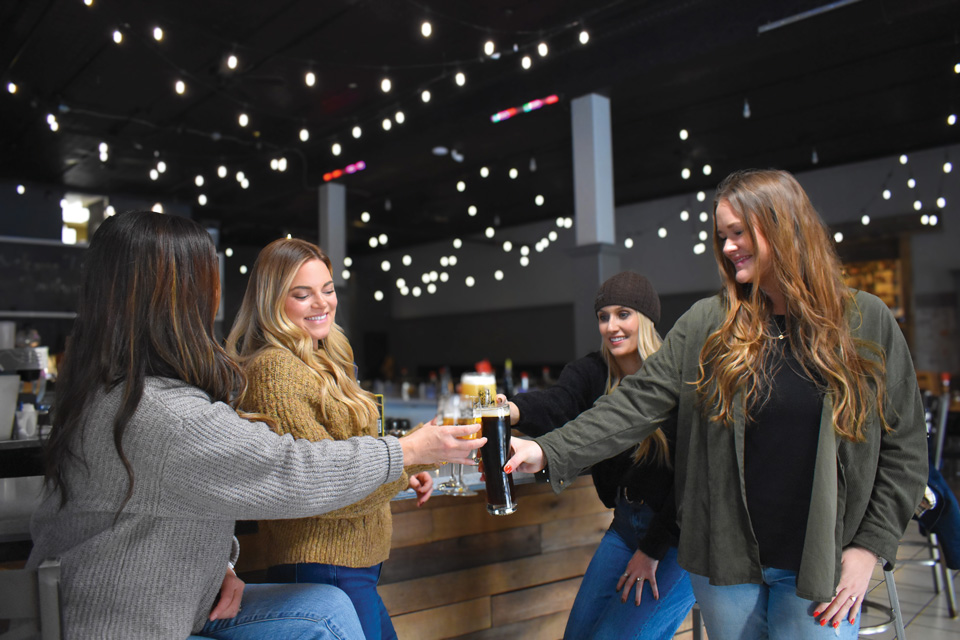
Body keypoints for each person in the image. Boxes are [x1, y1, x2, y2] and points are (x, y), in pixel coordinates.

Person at [504, 169, 928, 639]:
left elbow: (905, 448)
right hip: (726, 566)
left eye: (739, 233)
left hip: (820, 564)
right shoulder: (710, 323)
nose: (727, 248)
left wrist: (870, 546)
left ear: (783, 225)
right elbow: (636, 403)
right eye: (722, 236)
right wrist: (547, 450)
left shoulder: (865, 321)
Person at [26, 211, 482, 640]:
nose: (216, 294)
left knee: (327, 611)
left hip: (175, 605)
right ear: (179, 298)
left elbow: (171, 499)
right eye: (208, 280)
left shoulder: (108, 395)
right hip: (132, 625)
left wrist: (221, 566)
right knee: (331, 614)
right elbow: (291, 471)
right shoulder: (166, 413)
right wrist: (406, 451)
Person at [226, 238, 433, 640]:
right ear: (271, 302)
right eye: (302, 295)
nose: (322, 303)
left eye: (328, 289)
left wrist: (404, 470)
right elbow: (326, 486)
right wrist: (416, 454)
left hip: (350, 567)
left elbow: (347, 455)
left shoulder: (322, 357)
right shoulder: (275, 370)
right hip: (321, 566)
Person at [499, 272, 694, 639]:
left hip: (676, 537)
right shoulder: (593, 372)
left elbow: (695, 480)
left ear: (647, 319)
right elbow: (560, 403)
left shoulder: (678, 379)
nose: (611, 326)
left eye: (623, 314)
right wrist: (514, 410)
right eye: (603, 316)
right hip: (625, 525)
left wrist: (651, 549)